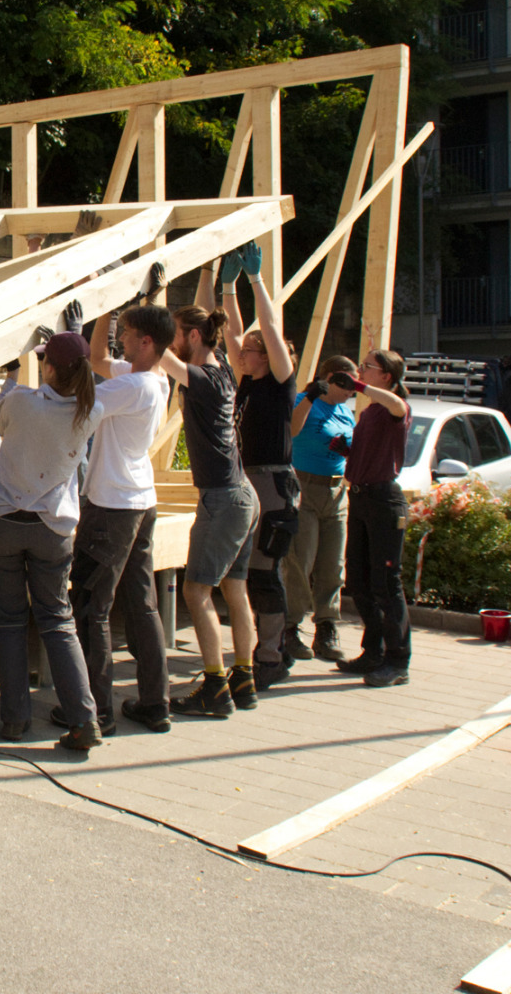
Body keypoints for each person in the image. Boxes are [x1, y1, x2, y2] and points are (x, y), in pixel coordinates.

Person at [0, 330, 105, 750]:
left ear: (48, 368)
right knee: (58, 620)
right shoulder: (91, 411)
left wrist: (13, 375)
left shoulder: (20, 402)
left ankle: (15, 721)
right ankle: (84, 721)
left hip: (1, 521)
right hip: (52, 527)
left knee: (9, 620)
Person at [71, 284, 175, 735]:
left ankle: (95, 712)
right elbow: (99, 360)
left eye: (127, 333)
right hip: (141, 501)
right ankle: (155, 702)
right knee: (142, 604)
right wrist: (105, 311)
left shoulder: (132, 386)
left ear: (146, 342)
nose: (120, 338)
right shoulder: (154, 379)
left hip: (112, 507)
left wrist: (68, 346)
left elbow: (80, 394)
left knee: (91, 607)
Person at [151, 279, 256, 720]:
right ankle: (243, 679)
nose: (171, 340)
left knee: (196, 592)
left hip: (223, 500)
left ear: (192, 336)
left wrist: (146, 305)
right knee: (235, 589)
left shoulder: (202, 378)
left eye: (176, 333)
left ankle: (215, 687)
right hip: (241, 494)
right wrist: (214, 277)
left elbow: (158, 352)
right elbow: (208, 323)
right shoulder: (224, 370)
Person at [221, 242, 301, 693]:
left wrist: (256, 280)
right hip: (250, 481)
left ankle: (272, 655)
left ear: (268, 357)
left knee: (265, 573)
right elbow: (234, 332)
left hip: (273, 482)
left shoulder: (280, 382)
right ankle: (264, 650)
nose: (243, 352)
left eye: (253, 350)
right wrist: (228, 288)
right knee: (250, 573)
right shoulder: (248, 382)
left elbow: (268, 328)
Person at [331, 349, 414, 688]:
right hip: (362, 498)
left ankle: (398, 661)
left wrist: (358, 386)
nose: (361, 372)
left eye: (367, 368)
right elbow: (370, 452)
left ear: (387, 377)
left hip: (384, 502)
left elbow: (398, 406)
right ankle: (374, 652)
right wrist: (347, 450)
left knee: (386, 583)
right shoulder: (370, 412)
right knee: (360, 581)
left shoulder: (395, 407)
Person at [284, 357, 358, 663]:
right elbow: (291, 430)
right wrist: (313, 394)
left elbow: (353, 448)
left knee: (333, 564)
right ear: (329, 377)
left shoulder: (345, 411)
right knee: (300, 561)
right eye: (346, 382)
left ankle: (327, 627)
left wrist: (348, 451)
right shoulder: (303, 400)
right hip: (305, 487)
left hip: (336, 491)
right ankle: (290, 627)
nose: (351, 391)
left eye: (355, 385)